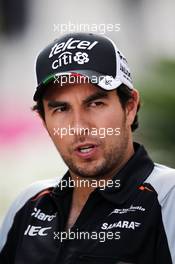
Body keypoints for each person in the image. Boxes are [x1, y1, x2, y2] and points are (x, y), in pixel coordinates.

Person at [0, 32, 175, 264]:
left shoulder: (168, 196)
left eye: (95, 103)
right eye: (61, 109)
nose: (79, 127)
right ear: (44, 121)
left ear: (130, 106)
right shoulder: (28, 204)